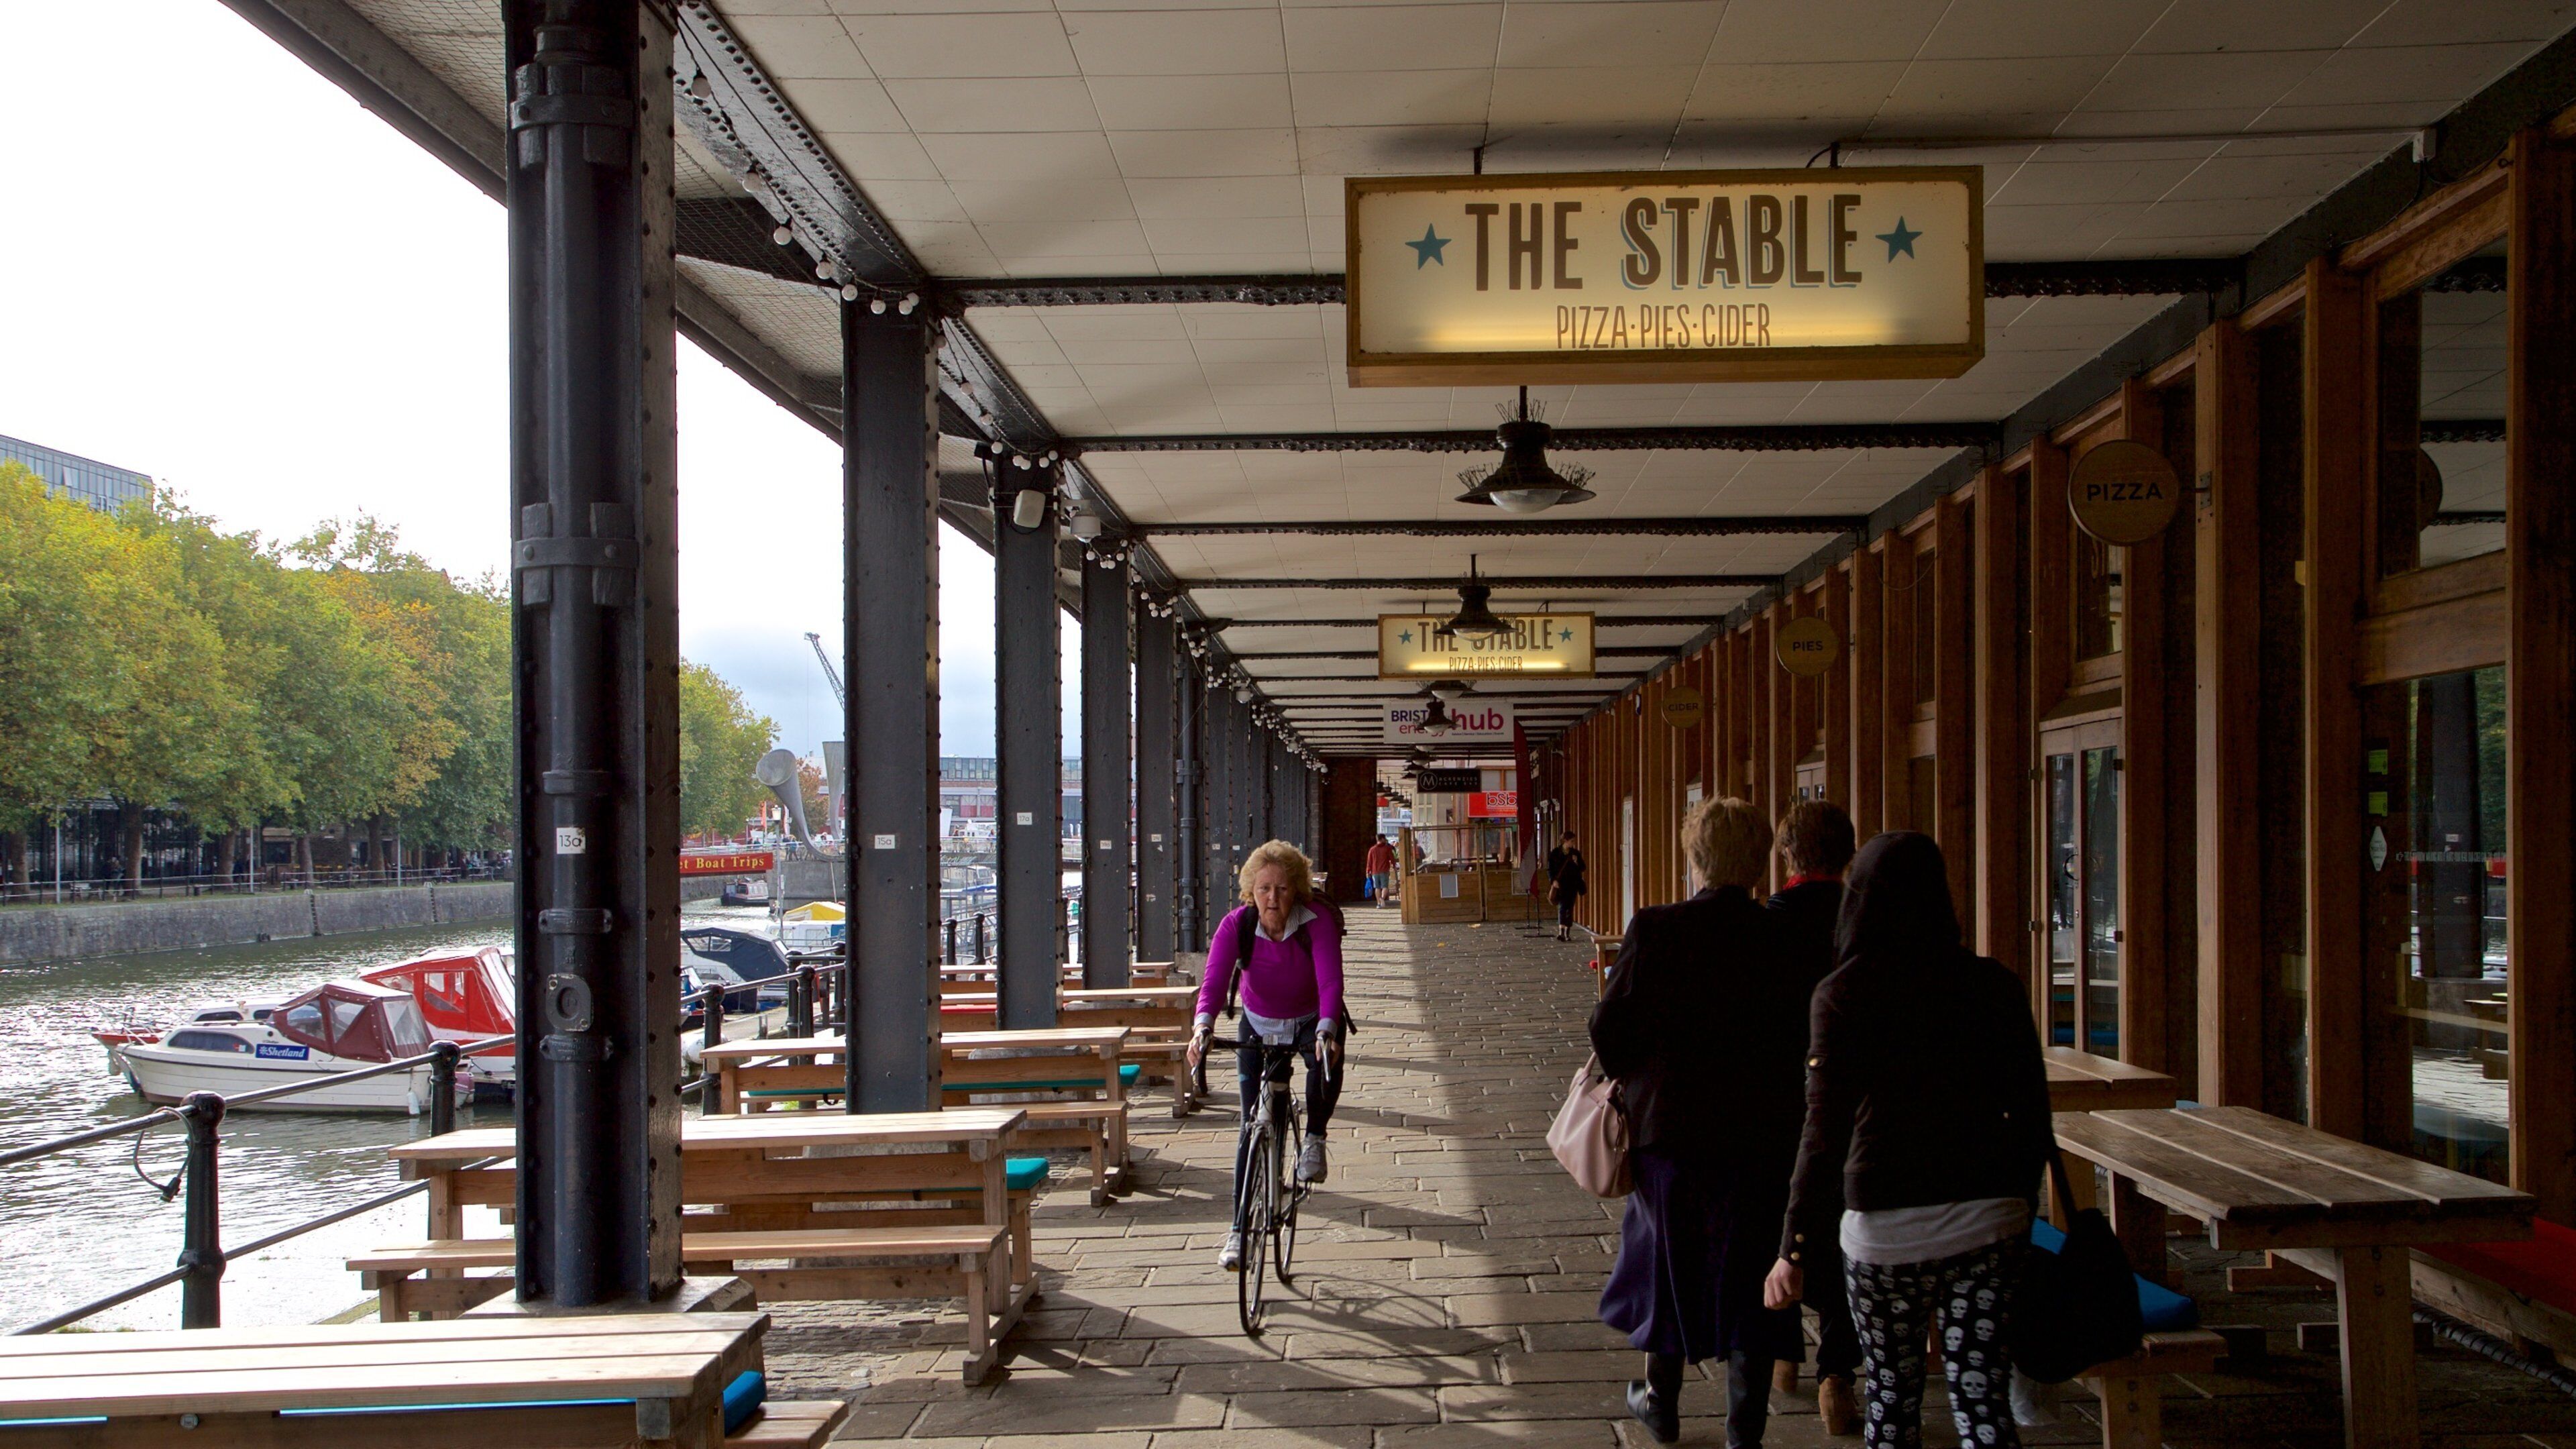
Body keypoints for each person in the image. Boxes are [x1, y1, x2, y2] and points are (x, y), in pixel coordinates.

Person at [1764, 833, 2054, 1449]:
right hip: (1988, 1220)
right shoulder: (1994, 985)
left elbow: (1823, 1136)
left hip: (1885, 1228)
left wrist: (1792, 1247)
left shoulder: (1841, 995)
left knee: (1892, 1399)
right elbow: (2033, 1117)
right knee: (1982, 1397)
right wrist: (2019, 1207)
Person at [1592, 798, 1809, 1448]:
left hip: (1672, 1128)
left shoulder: (1657, 927)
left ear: (1695, 858)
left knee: (1664, 1258)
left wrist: (1638, 1078)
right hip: (1762, 1131)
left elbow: (1609, 1024)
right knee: (1751, 1270)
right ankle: (1746, 1428)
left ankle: (1662, 1402)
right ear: (1760, 858)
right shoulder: (1781, 936)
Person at [1186, 839, 1346, 1272]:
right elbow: (1215, 981)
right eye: (1263, 889)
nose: (1272, 898)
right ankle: (1238, 1229)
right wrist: (1203, 1026)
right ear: (1250, 892)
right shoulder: (1236, 925)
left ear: (1296, 889)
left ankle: (1314, 1138)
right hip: (1258, 1023)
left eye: (1281, 888)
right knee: (1249, 1123)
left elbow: (1331, 981)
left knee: (1326, 1061)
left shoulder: (1315, 924)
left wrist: (1328, 1028)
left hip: (1309, 1017)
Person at [1763, 801, 1863, 1436]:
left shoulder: (1768, 922)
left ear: (1788, 854)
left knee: (1785, 1218)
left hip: (1780, 1099)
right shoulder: (1866, 917)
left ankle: (1782, 1356)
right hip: (1853, 1099)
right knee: (1845, 1228)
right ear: (1848, 853)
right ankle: (1838, 1376)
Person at [1546, 830, 1588, 941]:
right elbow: (1550, 869)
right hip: (1560, 884)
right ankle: (1561, 932)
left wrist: (1577, 861)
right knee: (1562, 907)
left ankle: (1567, 932)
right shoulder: (1555, 853)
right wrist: (1553, 880)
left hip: (1573, 884)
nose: (1573, 843)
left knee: (1570, 907)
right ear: (1565, 841)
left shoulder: (1575, 853)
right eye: (1572, 841)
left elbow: (1583, 868)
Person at [1366, 833, 1397, 908]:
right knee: (1385, 886)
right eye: (1384, 838)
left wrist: (1368, 871)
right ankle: (1382, 898)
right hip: (1385, 870)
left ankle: (1379, 903)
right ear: (1382, 839)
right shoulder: (1387, 849)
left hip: (1375, 871)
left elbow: (1369, 862)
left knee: (1377, 887)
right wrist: (1394, 866)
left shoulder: (1372, 849)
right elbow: (1392, 858)